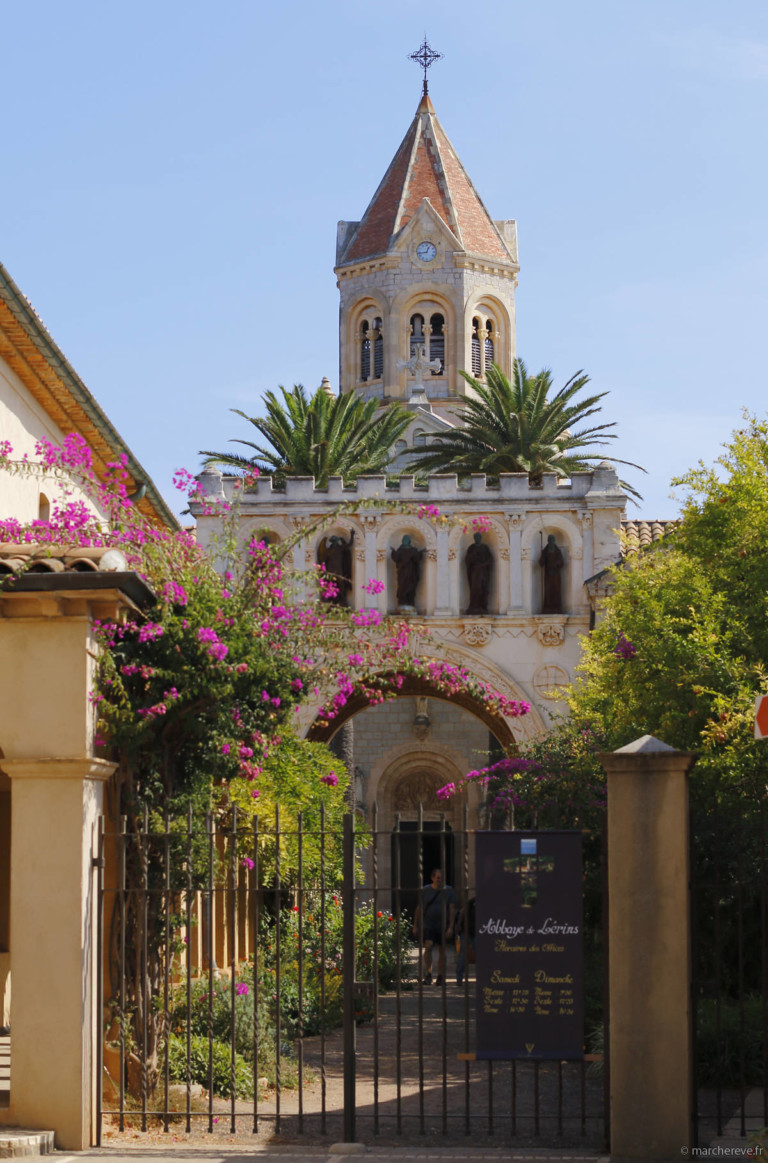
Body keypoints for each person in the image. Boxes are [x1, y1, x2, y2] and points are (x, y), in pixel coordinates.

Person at [412, 868, 456, 985]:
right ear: (432, 878)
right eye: (437, 877)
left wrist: (451, 927)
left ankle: (441, 976)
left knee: (442, 950)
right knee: (429, 946)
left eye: (441, 878)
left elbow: (452, 910)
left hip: (443, 925)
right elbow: (419, 908)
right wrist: (415, 925)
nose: (439, 880)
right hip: (429, 924)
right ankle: (429, 974)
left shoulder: (449, 890)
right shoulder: (426, 890)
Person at [391, 534, 425, 608]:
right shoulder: (400, 550)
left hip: (412, 573)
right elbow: (396, 558)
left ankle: (410, 603)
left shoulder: (413, 550)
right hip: (402, 573)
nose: (404, 541)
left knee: (411, 587)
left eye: (406, 540)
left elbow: (417, 559)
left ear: (409, 541)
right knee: (402, 588)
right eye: (404, 540)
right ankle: (402, 603)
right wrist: (393, 552)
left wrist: (420, 553)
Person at [465, 532, 493, 614]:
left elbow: (490, 559)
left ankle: (482, 606)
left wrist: (483, 565)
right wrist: (472, 556)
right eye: (476, 537)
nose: (477, 538)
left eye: (479, 537)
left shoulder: (485, 548)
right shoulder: (471, 548)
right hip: (474, 571)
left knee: (483, 588)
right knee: (475, 588)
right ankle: (474, 605)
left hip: (483, 571)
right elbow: (467, 560)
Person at [539, 533, 565, 614]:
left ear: (554, 541)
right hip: (548, 575)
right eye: (550, 540)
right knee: (548, 591)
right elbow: (540, 563)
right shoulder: (545, 551)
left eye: (552, 540)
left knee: (556, 591)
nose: (551, 541)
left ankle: (557, 607)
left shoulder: (558, 551)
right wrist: (543, 557)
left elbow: (562, 562)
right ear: (548, 541)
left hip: (556, 576)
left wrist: (557, 564)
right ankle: (548, 607)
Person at [455, 895, 476, 986]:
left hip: (475, 932)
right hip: (467, 931)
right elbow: (462, 912)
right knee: (462, 956)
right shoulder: (472, 901)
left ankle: (459, 978)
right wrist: (459, 925)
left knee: (463, 956)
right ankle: (459, 978)